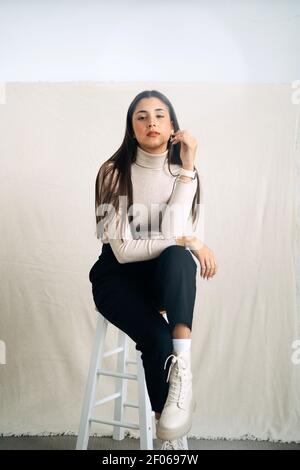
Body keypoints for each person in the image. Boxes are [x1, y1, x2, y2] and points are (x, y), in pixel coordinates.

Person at [89, 90, 218, 450]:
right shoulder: (113, 173)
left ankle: (183, 373)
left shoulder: (185, 174)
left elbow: (178, 232)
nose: (151, 122)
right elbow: (126, 250)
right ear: (131, 129)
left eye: (160, 115)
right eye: (141, 117)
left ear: (173, 126)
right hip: (117, 278)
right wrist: (190, 242)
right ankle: (167, 431)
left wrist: (188, 169)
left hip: (162, 277)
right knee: (157, 337)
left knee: (178, 259)